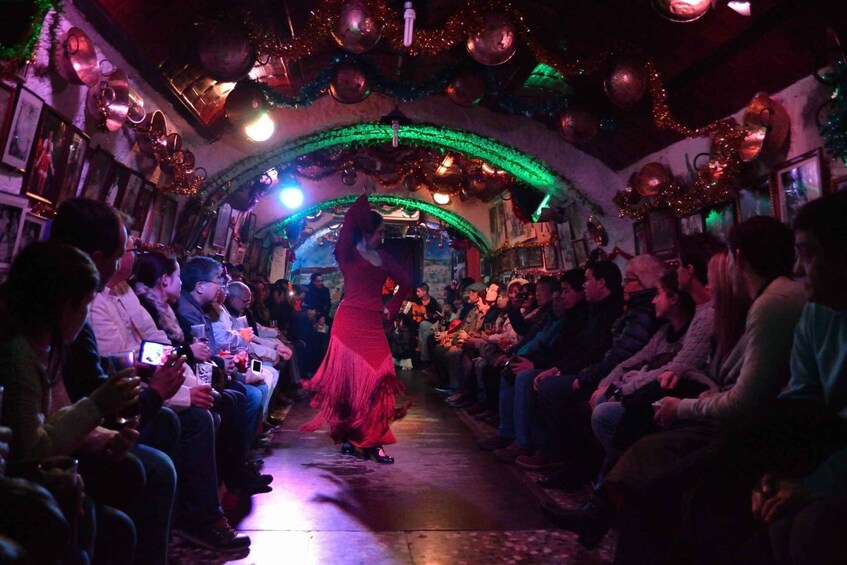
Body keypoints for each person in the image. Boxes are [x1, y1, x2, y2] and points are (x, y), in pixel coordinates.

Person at [301, 194, 411, 464]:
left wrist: (392, 306)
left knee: (379, 382)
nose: (382, 237)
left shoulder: (383, 257)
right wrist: (364, 197)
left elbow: (406, 283)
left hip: (373, 325)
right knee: (350, 386)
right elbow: (350, 222)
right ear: (366, 230)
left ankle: (374, 441)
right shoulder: (347, 254)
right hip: (348, 322)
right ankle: (350, 437)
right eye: (380, 232)